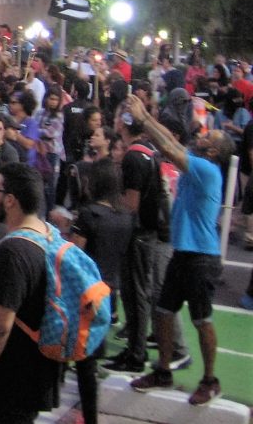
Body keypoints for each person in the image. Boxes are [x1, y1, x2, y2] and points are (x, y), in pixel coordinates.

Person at [123, 95, 234, 406]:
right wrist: (146, 116)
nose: (201, 136)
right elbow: (171, 142)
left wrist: (143, 119)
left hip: (202, 258)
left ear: (213, 151)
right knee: (163, 312)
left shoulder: (206, 170)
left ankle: (210, 381)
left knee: (202, 320)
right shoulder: (198, 164)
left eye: (208, 137)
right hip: (184, 253)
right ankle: (163, 371)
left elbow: (170, 149)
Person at [0, 163, 60, 423]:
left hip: (13, 375)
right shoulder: (47, 234)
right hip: (37, 368)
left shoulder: (12, 252)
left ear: (10, 200)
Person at [106, 105, 190, 374]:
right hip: (153, 232)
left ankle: (137, 353)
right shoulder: (148, 152)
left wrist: (106, 204)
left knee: (136, 295)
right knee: (144, 293)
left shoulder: (133, 157)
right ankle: (139, 349)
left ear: (122, 124)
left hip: (140, 234)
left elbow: (132, 204)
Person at [69, 159, 134, 424]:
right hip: (110, 289)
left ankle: (88, 416)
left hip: (85, 290)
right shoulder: (126, 216)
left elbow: (74, 254)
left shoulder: (89, 214)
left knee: (81, 358)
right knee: (90, 358)